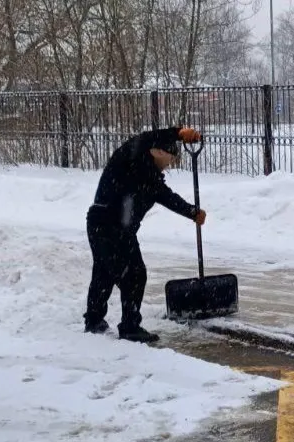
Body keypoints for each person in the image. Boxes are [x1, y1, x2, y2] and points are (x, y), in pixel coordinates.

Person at [83, 126, 205, 343]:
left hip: (116, 228)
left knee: (104, 272)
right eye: (170, 155)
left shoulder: (151, 178)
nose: (171, 162)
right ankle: (129, 326)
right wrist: (178, 133)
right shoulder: (129, 157)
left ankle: (94, 320)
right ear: (157, 151)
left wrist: (192, 212)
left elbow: (168, 198)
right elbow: (146, 137)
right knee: (134, 274)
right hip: (106, 223)